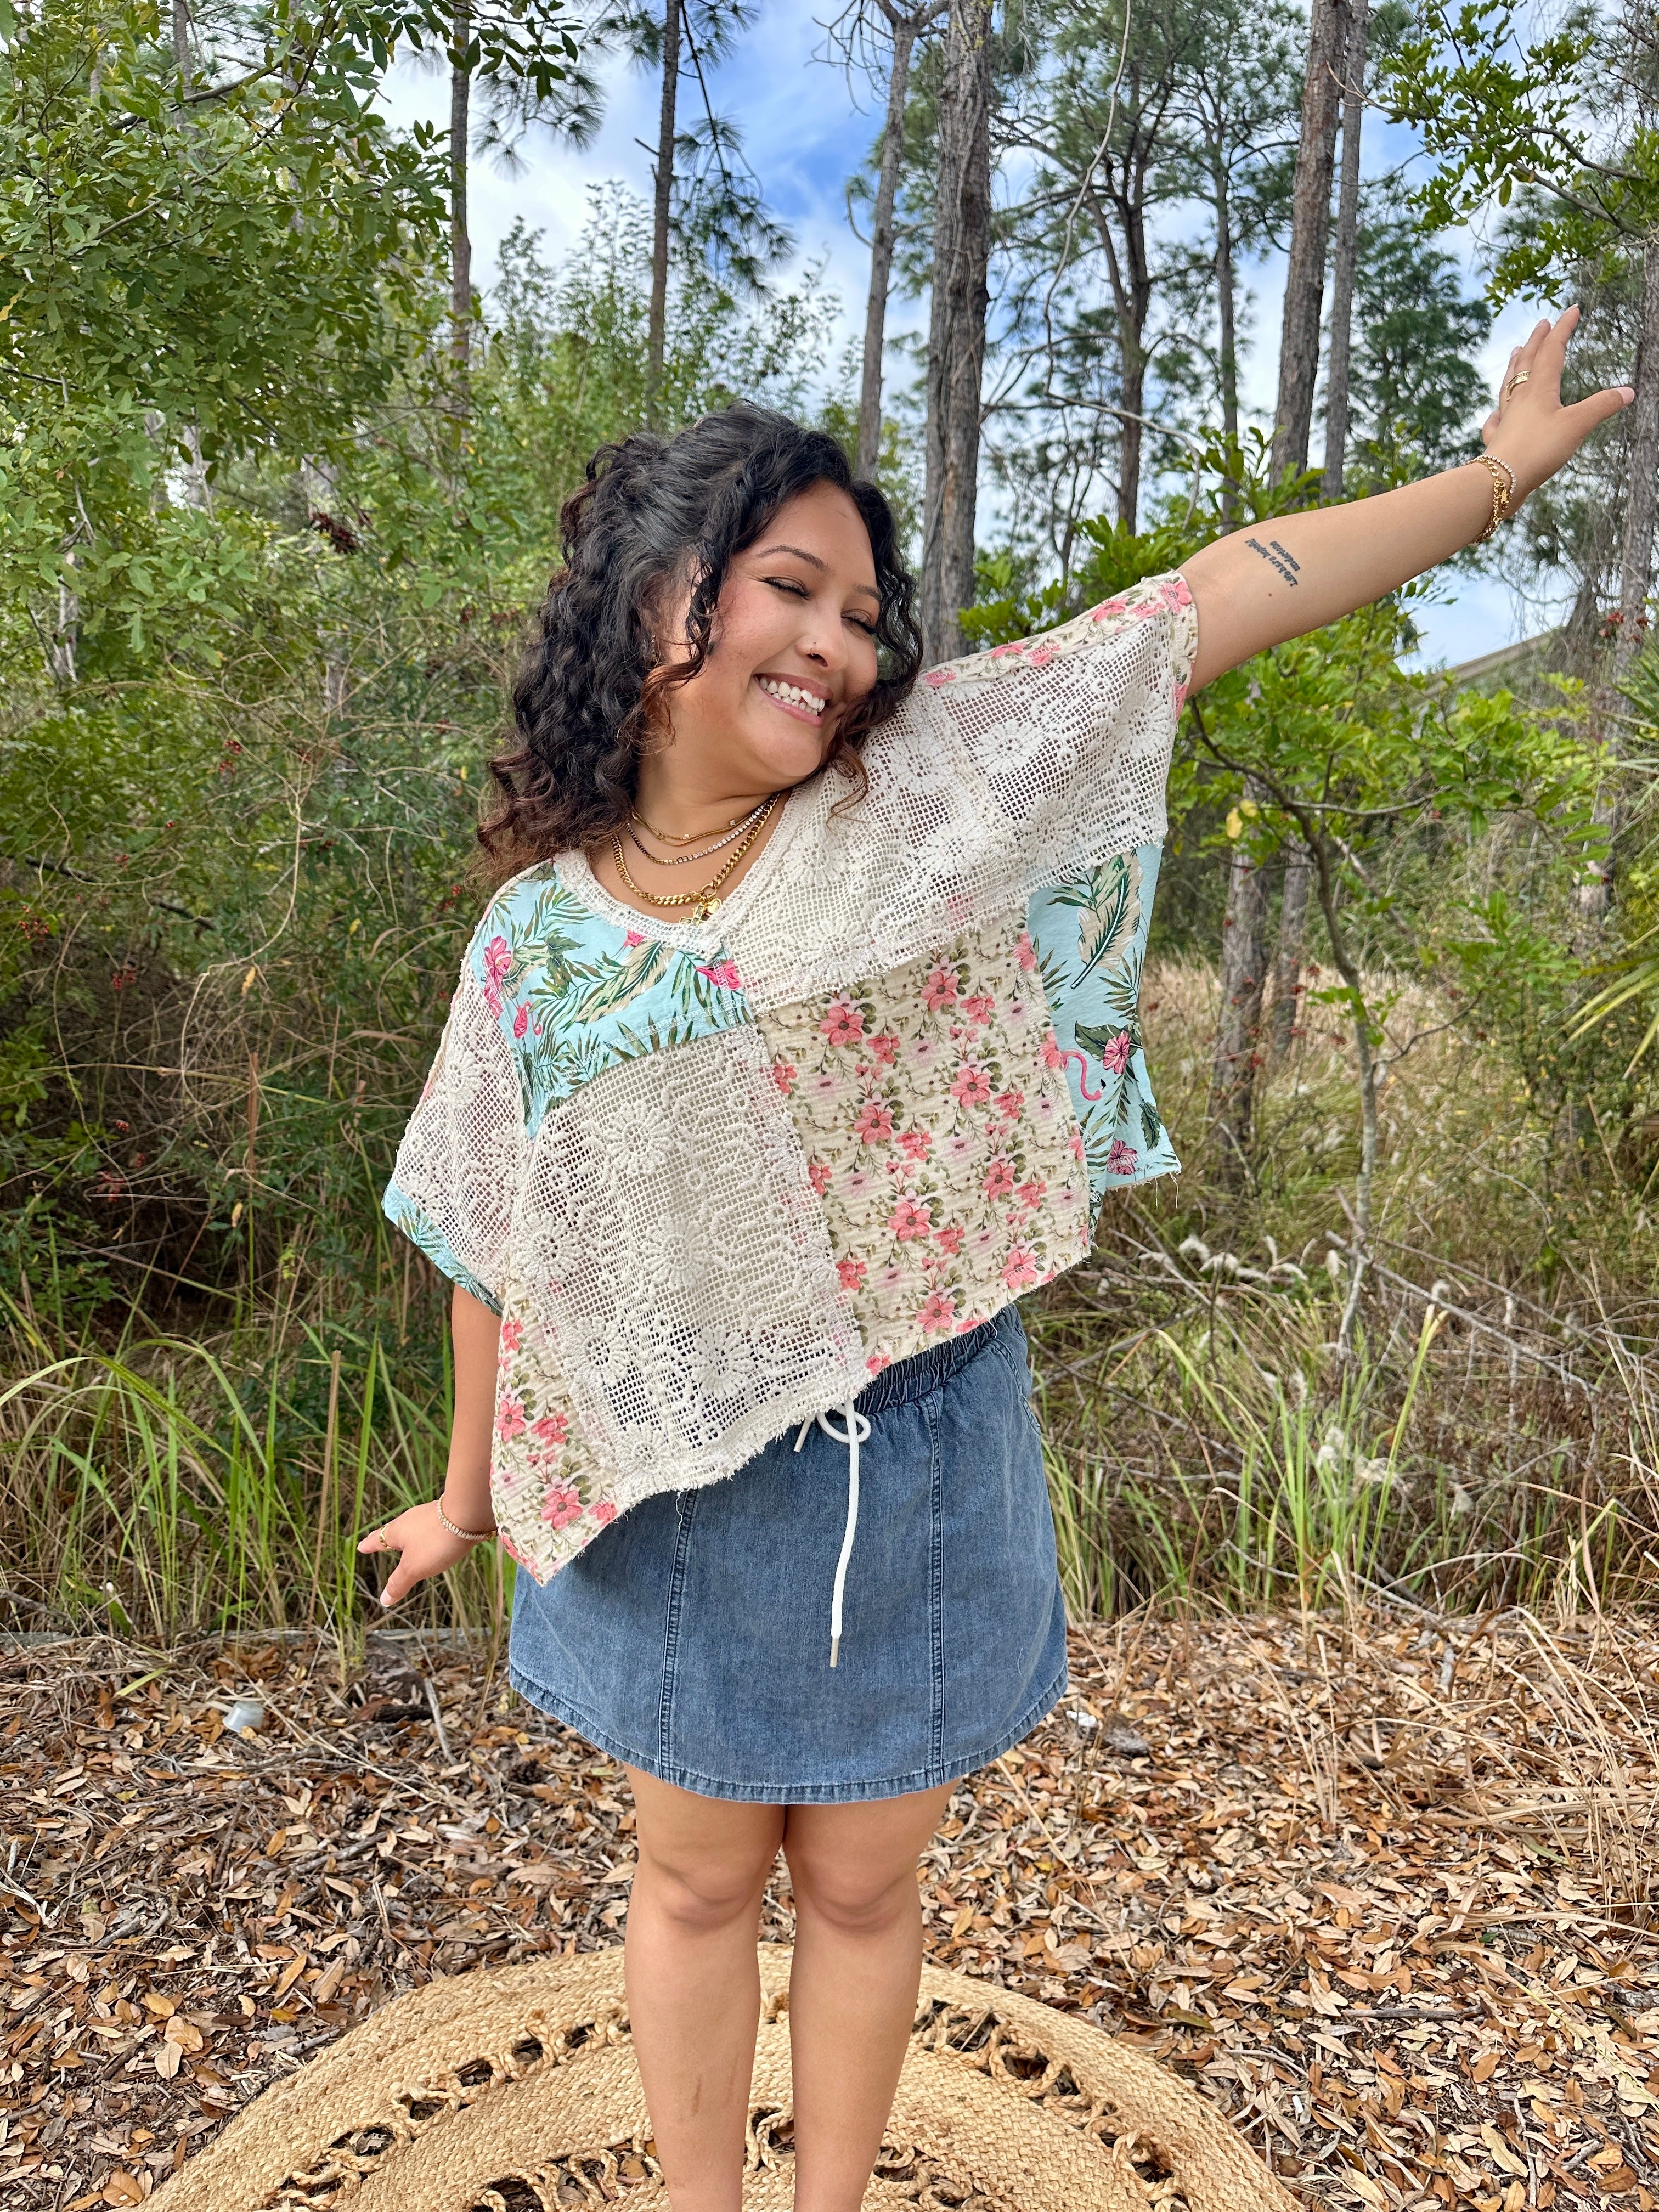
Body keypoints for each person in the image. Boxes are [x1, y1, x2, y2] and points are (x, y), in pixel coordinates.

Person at [357, 311, 1629, 2212]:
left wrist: (1498, 478)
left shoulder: (918, 800)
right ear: (656, 600)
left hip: (924, 1456)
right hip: (670, 1488)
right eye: (792, 587)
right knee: (693, 1885)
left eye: (864, 614)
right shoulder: (535, 942)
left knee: (866, 1891)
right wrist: (467, 1496)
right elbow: (493, 1237)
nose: (840, 643)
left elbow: (1209, 602)